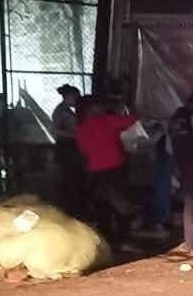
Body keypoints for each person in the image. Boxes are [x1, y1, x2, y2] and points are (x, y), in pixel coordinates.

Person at [74, 96, 138, 244]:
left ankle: (106, 240)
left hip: (94, 171)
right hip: (113, 169)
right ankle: (124, 240)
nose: (103, 108)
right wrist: (123, 109)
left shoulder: (81, 128)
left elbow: (83, 151)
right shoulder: (105, 120)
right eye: (100, 105)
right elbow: (132, 120)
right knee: (121, 206)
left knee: (102, 206)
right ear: (92, 108)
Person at [166, 90, 193, 254]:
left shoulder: (175, 119)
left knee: (189, 205)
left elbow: (169, 145)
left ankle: (191, 244)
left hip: (182, 165)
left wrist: (175, 165)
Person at [51, 84, 84, 210]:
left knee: (73, 176)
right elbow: (55, 130)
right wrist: (74, 135)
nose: (78, 99)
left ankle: (73, 204)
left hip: (71, 145)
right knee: (68, 177)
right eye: (76, 97)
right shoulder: (60, 111)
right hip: (66, 146)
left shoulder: (69, 110)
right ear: (68, 96)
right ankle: (68, 206)